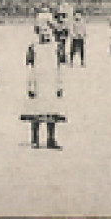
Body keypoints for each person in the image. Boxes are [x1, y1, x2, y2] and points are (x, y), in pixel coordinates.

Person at [22, 16, 66, 148]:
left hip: (51, 81)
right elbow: (30, 67)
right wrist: (30, 85)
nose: (45, 33)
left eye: (48, 30)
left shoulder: (57, 47)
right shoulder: (33, 47)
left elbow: (60, 66)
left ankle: (51, 139)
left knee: (51, 111)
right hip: (38, 81)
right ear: (37, 32)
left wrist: (60, 84)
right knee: (36, 110)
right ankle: (35, 139)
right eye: (42, 30)